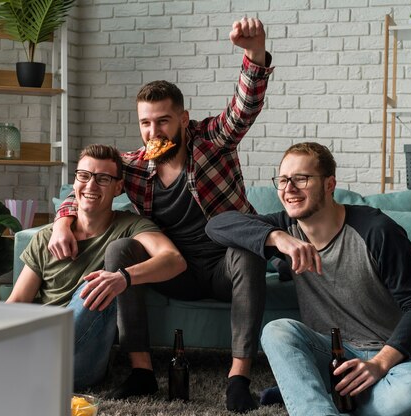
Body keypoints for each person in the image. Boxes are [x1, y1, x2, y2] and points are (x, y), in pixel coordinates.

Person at [50, 17, 274, 413]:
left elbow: (243, 109)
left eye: (164, 121)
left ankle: (238, 377)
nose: (154, 132)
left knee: (246, 250)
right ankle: (141, 371)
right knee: (121, 250)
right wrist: (62, 219)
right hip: (177, 273)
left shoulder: (212, 143)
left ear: (184, 120)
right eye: (146, 123)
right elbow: (88, 180)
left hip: (225, 267)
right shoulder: (133, 166)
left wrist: (254, 54)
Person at [205, 142, 411, 415]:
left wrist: (379, 364)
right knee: (277, 331)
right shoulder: (285, 229)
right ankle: (327, 402)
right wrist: (278, 238)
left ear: (330, 184)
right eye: (283, 180)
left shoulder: (377, 230)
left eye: (301, 179)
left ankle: (316, 395)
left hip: (395, 361)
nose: (288, 189)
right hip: (332, 356)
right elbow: (216, 226)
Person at [7, 144, 186, 392]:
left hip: (83, 360)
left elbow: (174, 259)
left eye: (103, 178)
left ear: (118, 187)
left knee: (98, 284)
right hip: (40, 343)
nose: (91, 186)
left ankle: (26, 371)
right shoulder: (48, 236)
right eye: (84, 176)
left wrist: (122, 277)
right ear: (75, 181)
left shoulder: (130, 227)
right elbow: (16, 302)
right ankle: (25, 368)